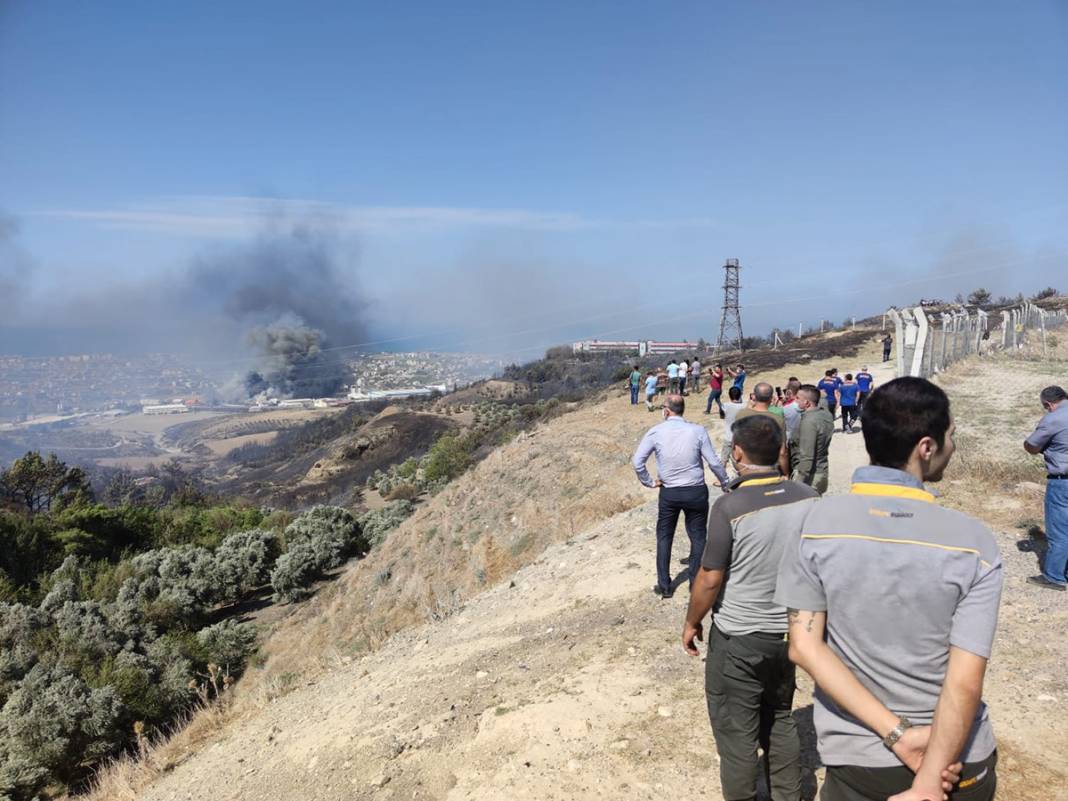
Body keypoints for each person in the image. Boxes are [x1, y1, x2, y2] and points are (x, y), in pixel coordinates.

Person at [776, 377, 1002, 801]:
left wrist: (896, 734)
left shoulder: (814, 526)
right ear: (926, 447)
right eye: (950, 436)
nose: (952, 447)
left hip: (864, 754)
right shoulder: (975, 542)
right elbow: (964, 681)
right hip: (958, 760)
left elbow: (804, 647)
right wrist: (931, 779)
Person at [684, 415, 818, 801]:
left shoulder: (730, 506)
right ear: (780, 451)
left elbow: (710, 576)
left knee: (736, 732)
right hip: (790, 633)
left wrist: (692, 621)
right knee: (779, 718)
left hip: (739, 637)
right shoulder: (809, 498)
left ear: (737, 453)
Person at [632, 394, 730, 599]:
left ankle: (665, 585)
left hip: (669, 492)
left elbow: (638, 461)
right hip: (696, 490)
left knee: (665, 536)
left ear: (666, 411)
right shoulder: (698, 430)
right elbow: (713, 462)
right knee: (698, 535)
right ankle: (695, 581)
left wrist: (649, 482)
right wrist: (725, 482)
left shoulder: (656, 431)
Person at [1023, 385, 1068, 591]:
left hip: (1062, 482)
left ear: (1048, 404)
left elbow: (1032, 445)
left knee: (1059, 530)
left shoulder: (1053, 418)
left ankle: (1055, 576)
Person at [735, 382, 789, 476]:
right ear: (771, 398)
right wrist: (786, 473)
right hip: (769, 469)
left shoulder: (741, 415)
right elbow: (782, 452)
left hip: (747, 468)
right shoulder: (777, 420)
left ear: (754, 396)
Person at [790, 384, 834, 494]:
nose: (795, 400)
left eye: (798, 398)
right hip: (822, 470)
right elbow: (822, 400)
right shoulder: (825, 414)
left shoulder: (809, 422)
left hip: (810, 476)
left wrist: (798, 483)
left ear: (806, 403)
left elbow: (807, 456)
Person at [719, 386, 748, 469]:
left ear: (729, 395)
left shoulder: (725, 405)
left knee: (724, 459)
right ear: (740, 395)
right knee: (743, 460)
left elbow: (722, 416)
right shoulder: (745, 406)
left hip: (729, 437)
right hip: (741, 438)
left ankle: (720, 479)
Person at [781, 378, 802, 445]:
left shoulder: (785, 408)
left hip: (790, 440)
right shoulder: (806, 404)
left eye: (785, 390)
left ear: (789, 391)